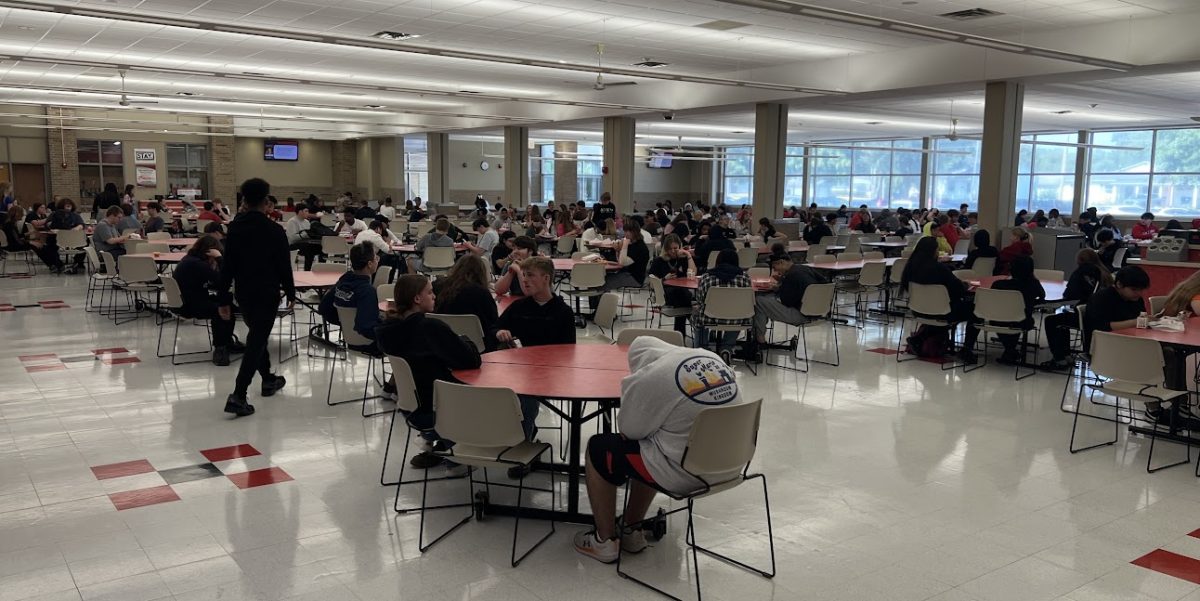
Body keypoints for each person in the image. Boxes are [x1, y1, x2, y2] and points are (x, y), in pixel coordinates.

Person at [574, 336, 741, 563]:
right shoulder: (708, 356)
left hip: (688, 474)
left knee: (599, 447)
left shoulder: (651, 377)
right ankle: (631, 530)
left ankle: (604, 542)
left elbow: (629, 432)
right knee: (653, 442)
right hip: (734, 463)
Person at [376, 274, 484, 468]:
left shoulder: (388, 331)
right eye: (430, 292)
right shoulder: (429, 327)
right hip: (440, 408)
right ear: (417, 299)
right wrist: (465, 340)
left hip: (411, 408)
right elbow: (470, 361)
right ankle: (460, 453)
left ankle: (442, 444)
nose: (434, 296)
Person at [216, 178, 292, 418]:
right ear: (266, 201)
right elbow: (284, 266)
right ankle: (238, 394)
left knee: (257, 334)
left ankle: (268, 379)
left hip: (244, 293)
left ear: (244, 200)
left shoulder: (235, 229)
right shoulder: (275, 230)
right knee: (257, 340)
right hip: (267, 292)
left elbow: (226, 267)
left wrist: (223, 299)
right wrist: (290, 291)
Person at [174, 235, 245, 365]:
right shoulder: (198, 264)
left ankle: (226, 342)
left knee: (227, 304)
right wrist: (219, 259)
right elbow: (223, 280)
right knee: (222, 309)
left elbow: (212, 283)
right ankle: (220, 348)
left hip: (186, 301)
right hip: (191, 306)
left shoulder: (189, 260)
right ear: (210, 251)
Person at [960, 256, 1044, 365]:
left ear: (1011, 270)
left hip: (996, 320)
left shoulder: (999, 284)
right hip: (1021, 321)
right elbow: (1042, 295)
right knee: (1015, 318)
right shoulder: (1033, 285)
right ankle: (1010, 350)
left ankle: (967, 348)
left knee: (976, 312)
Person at [1040, 249, 1114, 370]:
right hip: (1103, 316)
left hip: (1086, 317)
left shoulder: (1081, 273)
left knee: (1052, 321)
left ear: (1079, 261)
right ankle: (1066, 356)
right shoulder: (1105, 273)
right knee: (1062, 319)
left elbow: (1069, 295)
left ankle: (1060, 358)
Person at [900, 237, 972, 357]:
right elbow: (958, 289)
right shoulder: (940, 269)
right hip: (942, 311)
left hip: (917, 310)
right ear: (933, 251)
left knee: (940, 315)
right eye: (937, 249)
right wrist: (965, 285)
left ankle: (919, 339)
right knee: (972, 309)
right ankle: (967, 348)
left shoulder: (910, 268)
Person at [752, 251, 826, 350]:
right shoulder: (805, 268)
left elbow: (786, 301)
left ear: (781, 262)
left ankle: (759, 339)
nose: (776, 272)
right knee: (766, 301)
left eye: (775, 268)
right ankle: (759, 338)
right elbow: (824, 282)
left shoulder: (790, 276)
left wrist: (779, 289)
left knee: (759, 301)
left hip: (801, 315)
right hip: (820, 312)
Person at [319, 243, 382, 351]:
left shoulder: (344, 281)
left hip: (347, 338)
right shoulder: (367, 291)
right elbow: (366, 327)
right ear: (370, 264)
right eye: (376, 257)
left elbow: (323, 308)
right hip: (367, 343)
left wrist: (344, 322)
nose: (378, 260)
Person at [692, 249, 750, 362]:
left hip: (710, 318)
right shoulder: (745, 278)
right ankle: (726, 348)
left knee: (698, 311)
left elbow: (700, 299)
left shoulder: (706, 277)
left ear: (718, 261)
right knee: (740, 312)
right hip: (736, 319)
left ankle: (701, 349)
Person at [434, 254, 499, 350]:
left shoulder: (437, 287)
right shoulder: (481, 293)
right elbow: (493, 322)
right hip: (478, 346)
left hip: (442, 342)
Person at [590, 221, 650, 312]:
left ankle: (602, 312)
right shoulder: (633, 244)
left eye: (627, 231)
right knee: (598, 280)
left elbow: (622, 263)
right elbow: (620, 261)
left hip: (634, 277)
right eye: (624, 231)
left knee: (601, 283)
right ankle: (598, 310)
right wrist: (618, 250)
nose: (625, 234)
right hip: (626, 273)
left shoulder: (640, 247)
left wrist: (624, 245)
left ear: (634, 232)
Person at [648, 234, 695, 335]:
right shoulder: (659, 261)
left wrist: (688, 255)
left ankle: (680, 334)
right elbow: (651, 284)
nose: (673, 251)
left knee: (682, 297)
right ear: (665, 249)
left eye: (676, 248)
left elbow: (693, 273)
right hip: (664, 293)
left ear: (680, 246)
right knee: (683, 296)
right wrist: (664, 278)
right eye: (670, 249)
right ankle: (692, 321)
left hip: (682, 292)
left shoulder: (682, 259)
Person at [1, 206, 63, 272]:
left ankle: (54, 264)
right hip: (12, 246)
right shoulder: (9, 225)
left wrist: (29, 233)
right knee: (39, 246)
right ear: (17, 214)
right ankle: (55, 264)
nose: (23, 216)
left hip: (12, 244)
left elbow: (17, 237)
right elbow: (16, 241)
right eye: (22, 214)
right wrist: (31, 242)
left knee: (42, 247)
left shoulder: (10, 224)